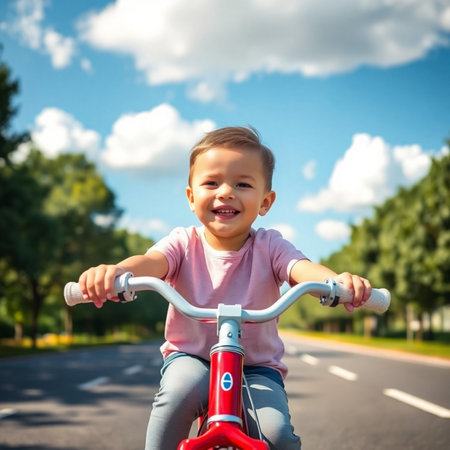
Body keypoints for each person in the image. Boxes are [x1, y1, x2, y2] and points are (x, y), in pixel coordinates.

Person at [78, 126, 372, 450]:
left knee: (278, 436)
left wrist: (336, 282)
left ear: (265, 201)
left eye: (243, 184)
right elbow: (150, 262)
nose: (226, 192)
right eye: (211, 182)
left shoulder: (270, 245)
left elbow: (302, 270)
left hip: (256, 368)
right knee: (175, 397)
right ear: (191, 197)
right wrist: (116, 272)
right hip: (191, 358)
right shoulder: (182, 243)